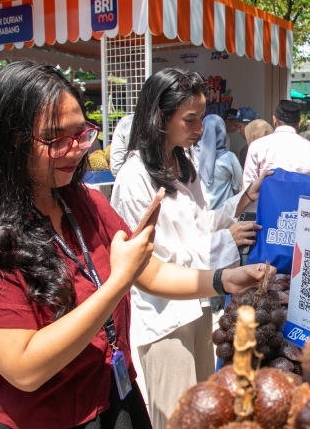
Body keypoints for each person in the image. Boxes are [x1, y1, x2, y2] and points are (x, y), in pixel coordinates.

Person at [0, 61, 274, 429]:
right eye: (56, 138)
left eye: (82, 133)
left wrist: (223, 280)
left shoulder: (84, 203)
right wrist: (116, 283)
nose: (76, 150)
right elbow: (24, 367)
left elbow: (149, 271)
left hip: (109, 399)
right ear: (10, 140)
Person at [110, 69, 270, 429]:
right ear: (159, 117)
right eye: (190, 119)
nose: (200, 128)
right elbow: (153, 265)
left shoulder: (184, 164)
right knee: (177, 417)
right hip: (164, 320)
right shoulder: (134, 178)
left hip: (196, 309)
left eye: (201, 117)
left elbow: (201, 222)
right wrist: (225, 244)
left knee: (203, 411)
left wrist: (245, 199)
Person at [243, 100, 310, 184]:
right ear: (299, 124)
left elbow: (248, 189)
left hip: (266, 197)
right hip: (300, 197)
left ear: (274, 120)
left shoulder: (256, 147)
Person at [195, 114, 243, 210]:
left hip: (201, 214)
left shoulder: (193, 155)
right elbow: (239, 184)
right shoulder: (229, 157)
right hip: (224, 215)